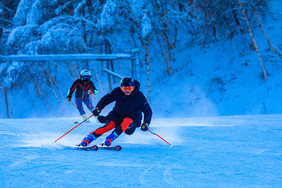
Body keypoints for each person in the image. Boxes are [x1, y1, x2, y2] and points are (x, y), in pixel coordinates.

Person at [78, 76, 152, 147]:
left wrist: (146, 122)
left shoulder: (139, 96)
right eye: (124, 89)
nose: (127, 91)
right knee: (109, 126)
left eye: (129, 88)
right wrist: (98, 108)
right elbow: (105, 99)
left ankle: (109, 139)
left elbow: (148, 111)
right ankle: (87, 140)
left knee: (127, 121)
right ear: (121, 88)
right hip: (118, 115)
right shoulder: (117, 92)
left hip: (133, 119)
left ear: (133, 87)